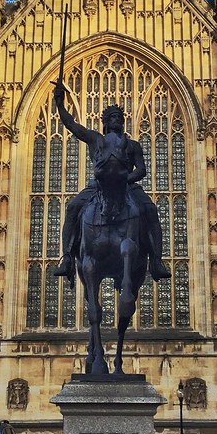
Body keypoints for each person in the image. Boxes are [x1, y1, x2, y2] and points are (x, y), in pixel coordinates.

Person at [51, 82, 171, 286]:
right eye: (112, 117)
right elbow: (72, 125)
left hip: (128, 186)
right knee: (72, 207)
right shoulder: (95, 140)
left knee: (151, 209)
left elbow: (141, 170)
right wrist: (60, 104)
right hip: (98, 186)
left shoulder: (132, 145)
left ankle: (157, 261)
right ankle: (68, 258)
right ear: (105, 122)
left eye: (119, 117)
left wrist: (124, 179)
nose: (116, 119)